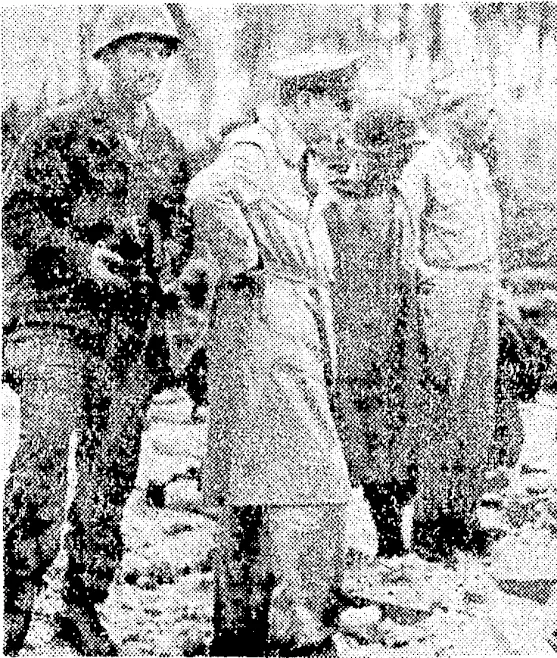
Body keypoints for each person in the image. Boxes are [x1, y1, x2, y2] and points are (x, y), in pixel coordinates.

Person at [2, 6, 189, 654]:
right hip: (56, 319)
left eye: (160, 53)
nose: (150, 66)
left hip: (127, 329)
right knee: (46, 456)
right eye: (136, 51)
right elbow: (19, 219)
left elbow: (177, 235)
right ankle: (14, 600)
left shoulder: (168, 149)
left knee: (112, 470)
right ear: (107, 57)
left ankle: (82, 603)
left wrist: (162, 265)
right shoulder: (59, 130)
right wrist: (82, 258)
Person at [176, 50, 361, 656]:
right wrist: (237, 256)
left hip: (292, 330)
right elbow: (206, 195)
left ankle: (250, 625)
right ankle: (288, 629)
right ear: (301, 101)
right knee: (289, 484)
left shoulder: (296, 164)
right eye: (334, 107)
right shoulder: (250, 157)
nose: (342, 123)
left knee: (271, 483)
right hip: (261, 332)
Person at [396, 69, 501, 560]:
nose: (487, 123)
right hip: (445, 289)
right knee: (443, 405)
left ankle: (464, 513)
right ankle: (432, 520)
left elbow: (489, 235)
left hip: (482, 287)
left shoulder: (479, 168)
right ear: (455, 114)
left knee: (479, 406)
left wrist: (494, 287)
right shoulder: (424, 167)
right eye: (479, 113)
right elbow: (406, 241)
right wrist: (428, 284)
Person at [322, 93, 422, 559]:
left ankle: (391, 528)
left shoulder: (396, 200)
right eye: (395, 151)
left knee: (395, 427)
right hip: (351, 333)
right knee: (358, 427)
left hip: (394, 328)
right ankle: (377, 530)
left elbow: (406, 265)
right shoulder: (332, 205)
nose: (400, 163)